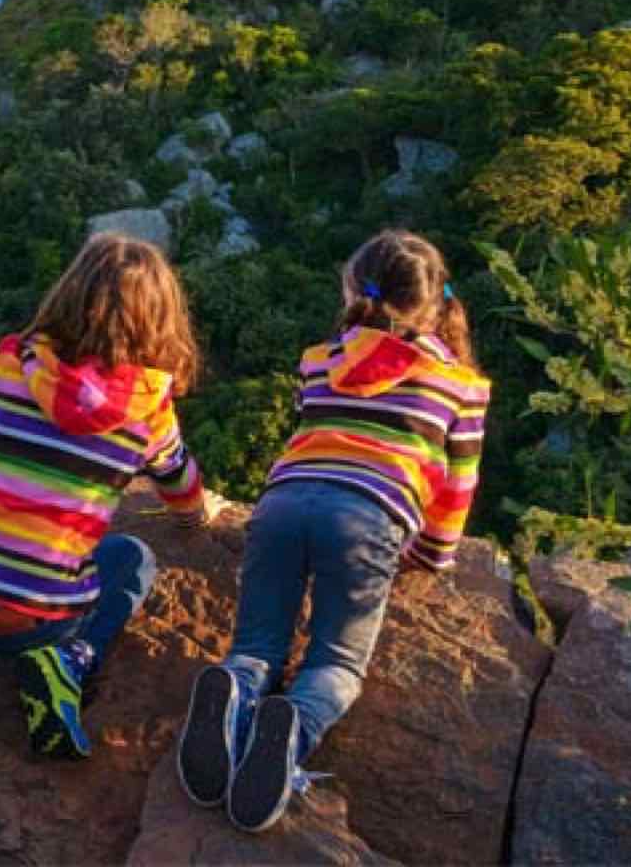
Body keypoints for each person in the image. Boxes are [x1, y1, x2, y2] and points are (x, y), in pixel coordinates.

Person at [175, 229, 490, 831]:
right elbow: (457, 487)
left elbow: (312, 436)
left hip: (282, 504)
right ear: (440, 300)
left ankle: (237, 689)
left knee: (256, 646)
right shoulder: (462, 386)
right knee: (338, 663)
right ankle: (292, 724)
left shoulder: (320, 361)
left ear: (355, 290)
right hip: (368, 518)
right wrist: (433, 554)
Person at [0, 232, 210, 760]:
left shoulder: (13, 367)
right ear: (161, 322)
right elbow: (178, 479)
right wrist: (195, 519)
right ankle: (70, 662)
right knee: (132, 559)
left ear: (66, 296)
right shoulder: (150, 410)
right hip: (39, 619)